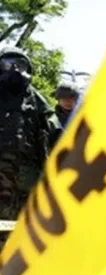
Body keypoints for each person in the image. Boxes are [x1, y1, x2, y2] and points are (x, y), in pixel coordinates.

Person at [0, 46, 62, 247]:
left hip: (27, 176)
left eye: (20, 64)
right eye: (8, 64)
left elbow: (55, 130)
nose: (14, 70)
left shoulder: (35, 98)